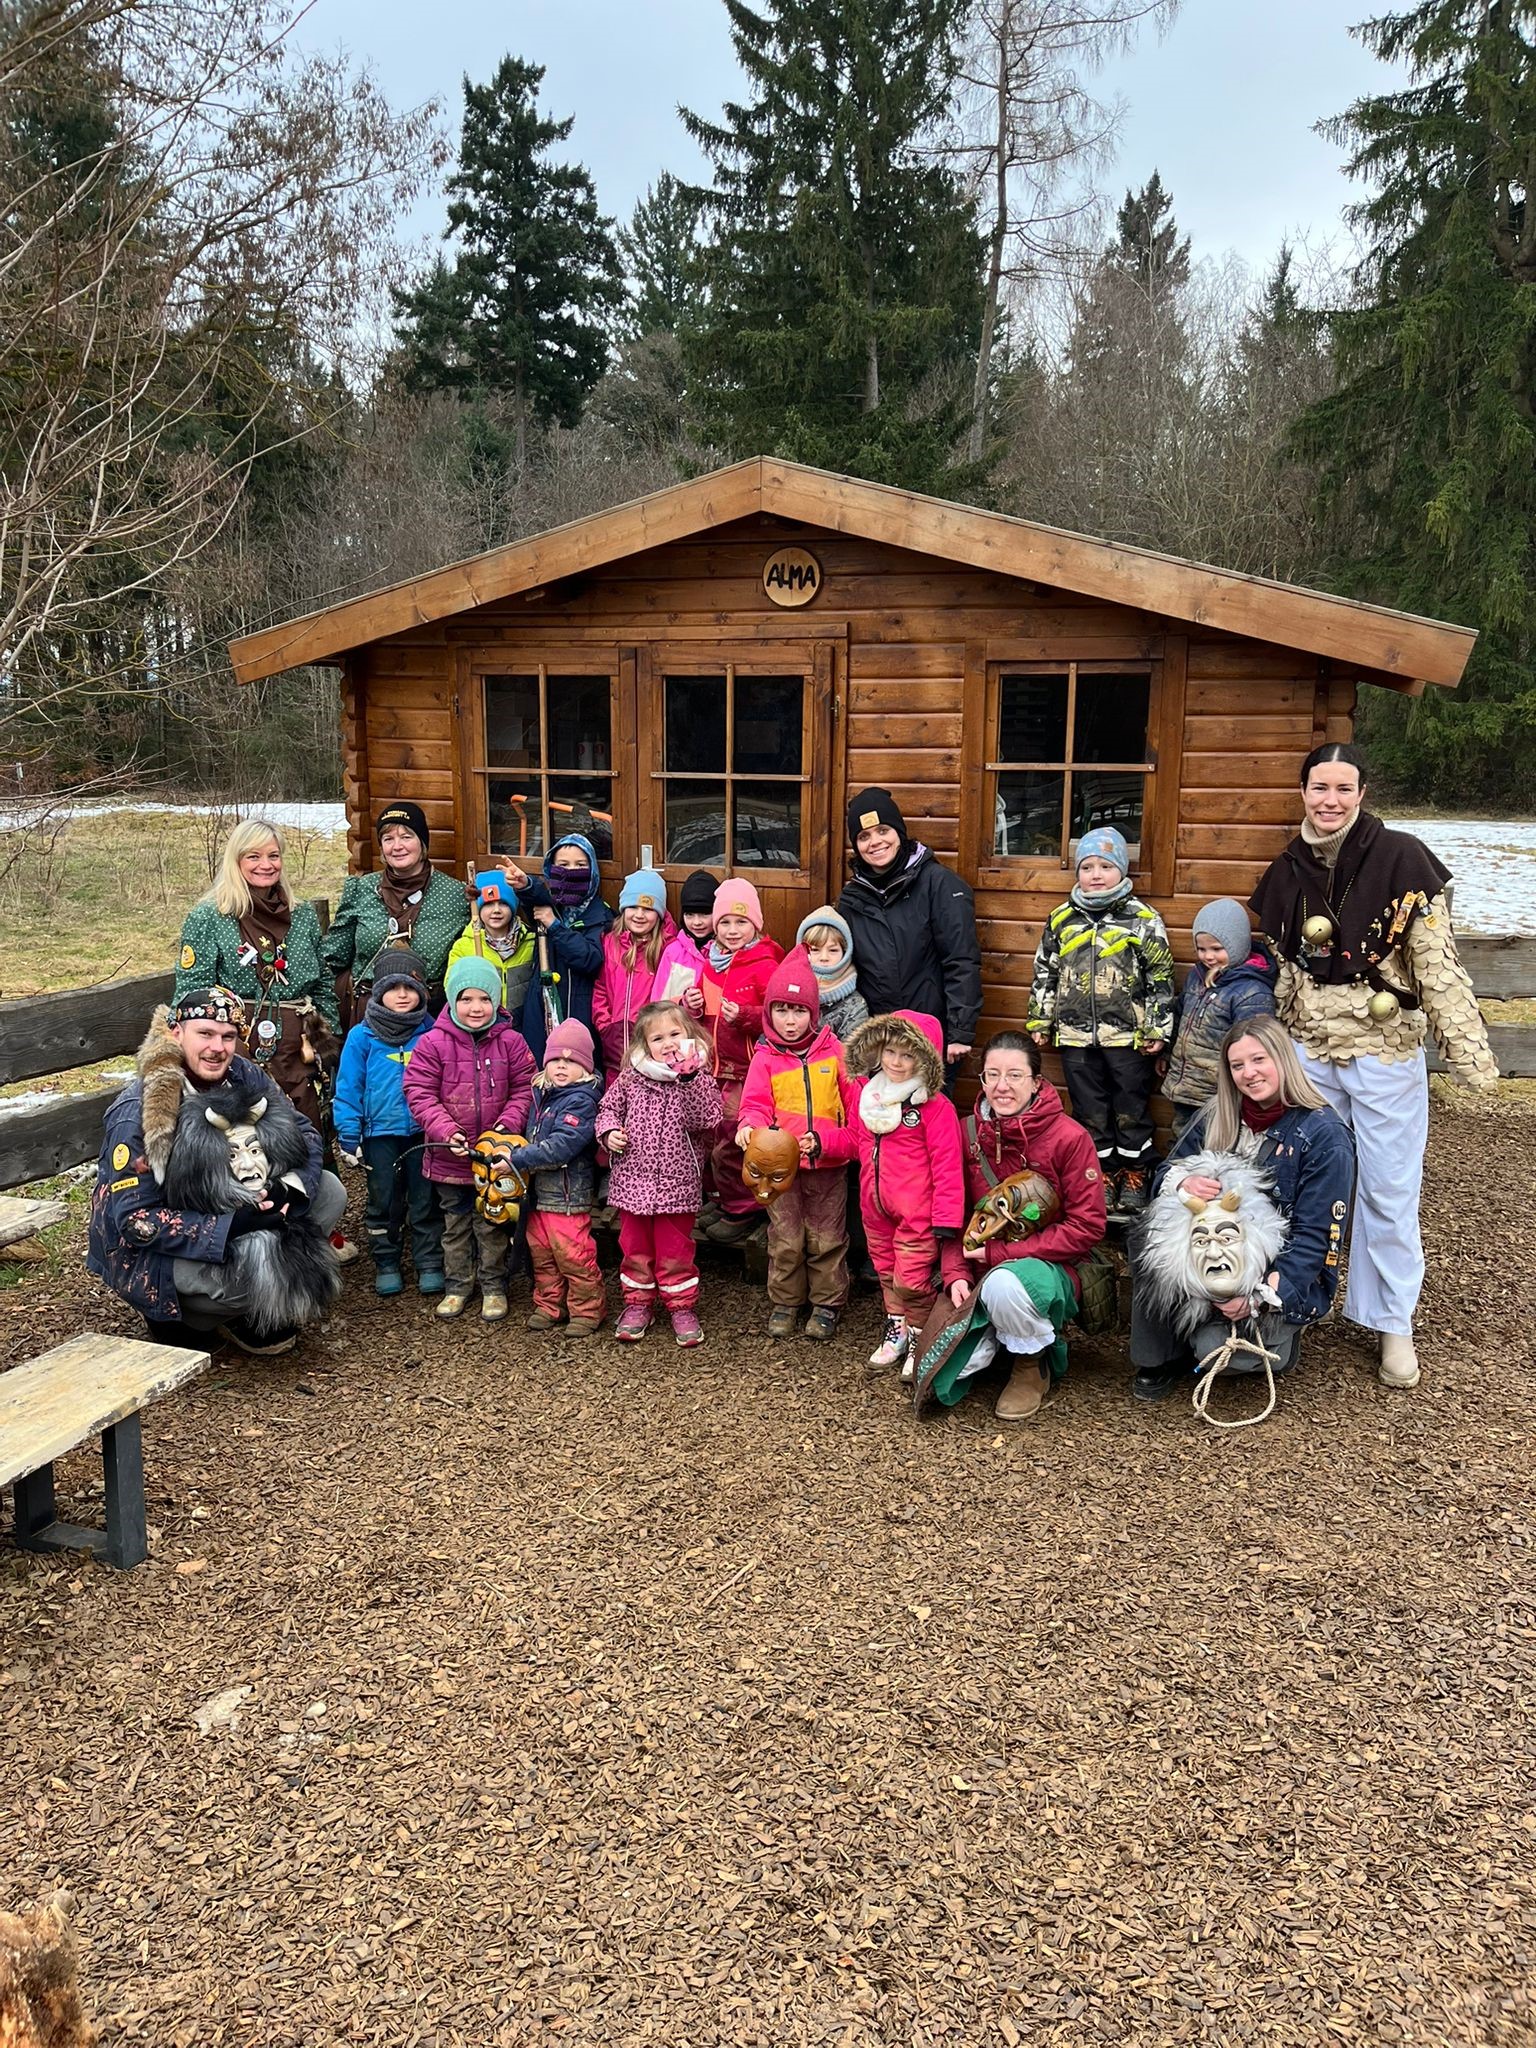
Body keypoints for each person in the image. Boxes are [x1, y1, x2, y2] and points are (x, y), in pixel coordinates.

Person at [1249, 741, 1498, 1390]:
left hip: (1384, 1052)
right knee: (1301, 1178)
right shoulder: (1288, 869)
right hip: (1310, 1052)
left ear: (1361, 794)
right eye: (1319, 787)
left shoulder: (1402, 859)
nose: (1329, 800)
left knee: (1387, 1188)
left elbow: (1436, 964)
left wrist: (1469, 1052)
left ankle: (1392, 1323)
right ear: (1303, 791)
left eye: (1343, 788)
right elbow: (1284, 973)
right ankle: (1293, 1301)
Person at [86, 988, 347, 1354]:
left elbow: (303, 1130)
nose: (217, 1048)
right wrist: (231, 1227)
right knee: (242, 1283)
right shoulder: (136, 1111)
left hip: (239, 1197)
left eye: (227, 1037)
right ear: (177, 1033)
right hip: (158, 1250)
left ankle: (254, 1298)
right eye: (205, 1034)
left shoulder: (242, 1073)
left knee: (329, 1191)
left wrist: (288, 1188)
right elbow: (136, 1220)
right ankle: (180, 1317)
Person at [1128, 1014, 1356, 1405]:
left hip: (1269, 1271)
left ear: (1283, 1059)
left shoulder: (1325, 1136)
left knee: (1216, 1351)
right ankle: (1157, 1357)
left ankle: (1273, 1339)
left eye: (1259, 1060)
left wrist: (1259, 1295)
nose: (1248, 1073)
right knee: (1145, 1233)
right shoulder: (1218, 1113)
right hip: (1206, 1253)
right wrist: (1182, 1182)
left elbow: (1316, 1237)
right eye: (1237, 1065)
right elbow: (1166, 1171)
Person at [927, 1032, 1108, 1422]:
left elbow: (1087, 1227)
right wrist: (955, 1273)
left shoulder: (1070, 1138)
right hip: (977, 1267)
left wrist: (1001, 1254)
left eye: (1014, 1075)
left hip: (1049, 1270)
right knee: (938, 1376)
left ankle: (1033, 1363)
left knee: (1005, 1285)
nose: (1001, 1086)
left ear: (1036, 1081)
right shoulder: (966, 1132)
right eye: (992, 1075)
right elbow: (951, 1213)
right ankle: (994, 1337)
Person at [1027, 825, 1174, 1215]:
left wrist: (1157, 1027)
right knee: (1089, 1108)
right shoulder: (1061, 919)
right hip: (1075, 1036)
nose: (1096, 875)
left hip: (1127, 1038)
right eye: (1087, 867)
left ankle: (1136, 1172)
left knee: (1130, 1108)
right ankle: (1103, 1174)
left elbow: (1160, 976)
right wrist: (1040, 1020)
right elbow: (1045, 971)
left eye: (1105, 866)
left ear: (1121, 870)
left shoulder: (1141, 919)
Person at [173, 818, 338, 1131]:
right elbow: (192, 994)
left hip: (297, 1051)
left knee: (305, 1134)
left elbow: (323, 984)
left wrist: (328, 1041)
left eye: (273, 856)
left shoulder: (302, 915)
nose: (266, 865)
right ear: (236, 860)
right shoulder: (210, 917)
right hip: (236, 1050)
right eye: (254, 856)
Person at [735, 948, 860, 1341]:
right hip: (780, 1171)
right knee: (785, 1237)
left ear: (813, 1013)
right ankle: (786, 1301)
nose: (790, 1021)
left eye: (799, 1011)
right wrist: (748, 1127)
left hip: (828, 1167)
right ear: (769, 1012)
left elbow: (857, 1119)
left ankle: (827, 1303)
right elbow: (754, 1105)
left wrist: (825, 1143)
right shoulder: (765, 1058)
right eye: (781, 1010)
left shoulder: (837, 1054)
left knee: (827, 1238)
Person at [403, 955, 535, 1323]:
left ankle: (494, 1286)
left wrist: (503, 1131)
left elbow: (525, 1089)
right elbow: (419, 1092)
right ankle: (458, 1286)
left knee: (491, 1224)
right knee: (455, 1225)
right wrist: (447, 1131)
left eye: (484, 998)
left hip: (494, 1161)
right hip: (451, 1157)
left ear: (497, 1000)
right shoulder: (432, 1043)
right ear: (451, 1000)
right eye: (466, 999)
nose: (475, 1008)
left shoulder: (511, 1042)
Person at [596, 1000, 724, 1348]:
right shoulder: (631, 1077)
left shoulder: (697, 1077)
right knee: (634, 1248)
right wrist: (609, 1132)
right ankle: (638, 1304)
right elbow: (607, 1109)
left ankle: (681, 1306)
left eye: (674, 1034)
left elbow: (706, 1119)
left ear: (689, 1035)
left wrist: (690, 1079)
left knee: (675, 1250)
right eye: (658, 1038)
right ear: (644, 1044)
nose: (668, 1044)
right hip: (632, 1182)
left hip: (676, 1184)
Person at [846, 1010, 966, 1375]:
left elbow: (948, 1166)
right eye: (890, 1052)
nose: (896, 1062)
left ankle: (919, 1335)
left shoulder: (934, 1107)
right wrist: (820, 1144)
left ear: (925, 1058)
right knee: (886, 1272)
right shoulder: (870, 1097)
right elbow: (855, 1142)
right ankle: (896, 1329)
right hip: (875, 1208)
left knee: (911, 1280)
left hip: (918, 1214)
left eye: (907, 1054)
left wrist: (947, 1219)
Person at [836, 788, 981, 1068]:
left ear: (899, 832)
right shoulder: (852, 898)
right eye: (864, 836)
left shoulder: (938, 884)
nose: (875, 842)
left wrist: (961, 1031)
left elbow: (961, 960)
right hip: (879, 1040)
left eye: (883, 830)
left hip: (931, 1035)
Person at [332, 949, 444, 1299]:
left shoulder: (432, 1033)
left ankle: (429, 1261)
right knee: (383, 1199)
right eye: (393, 988)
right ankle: (386, 1261)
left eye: (410, 987)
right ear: (378, 993)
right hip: (379, 1134)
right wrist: (349, 1132)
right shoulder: (361, 1037)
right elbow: (348, 1087)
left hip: (423, 1132)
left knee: (425, 1198)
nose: (402, 995)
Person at [689, 878, 784, 1247]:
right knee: (713, 1134)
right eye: (725, 922)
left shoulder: (765, 963)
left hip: (746, 1069)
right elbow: (702, 1013)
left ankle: (744, 1208)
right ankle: (723, 1200)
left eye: (741, 922)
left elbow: (778, 1015)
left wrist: (745, 1016)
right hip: (713, 1067)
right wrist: (691, 1005)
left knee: (733, 1140)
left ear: (755, 924)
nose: (732, 930)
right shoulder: (711, 962)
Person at [323, 801, 469, 1025]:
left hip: (430, 1017)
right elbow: (333, 957)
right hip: (369, 1015)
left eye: (406, 836)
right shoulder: (362, 889)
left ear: (422, 842)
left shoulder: (455, 895)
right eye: (388, 839)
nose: (397, 846)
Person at [518, 1019, 606, 1337]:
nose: (561, 1066)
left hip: (567, 1195)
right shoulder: (542, 1095)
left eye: (570, 1061)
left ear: (585, 1068)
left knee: (574, 1255)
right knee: (542, 1253)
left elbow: (560, 1147)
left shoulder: (581, 1101)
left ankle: (587, 1309)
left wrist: (517, 1158)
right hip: (539, 1194)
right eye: (555, 1059)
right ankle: (549, 1304)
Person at [1162, 898, 1278, 1138]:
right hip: (1186, 1086)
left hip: (1219, 1093)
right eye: (1201, 949)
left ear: (1237, 945)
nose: (1208, 956)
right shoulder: (1197, 977)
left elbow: (1253, 1045)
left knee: (1214, 1143)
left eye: (1216, 949)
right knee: (1181, 1141)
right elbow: (1180, 1016)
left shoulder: (1252, 992)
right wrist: (1166, 1053)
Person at [497, 833, 614, 1066]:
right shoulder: (551, 904)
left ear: (592, 870)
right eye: (563, 865)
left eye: (580, 865)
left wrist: (555, 926)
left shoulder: (601, 916)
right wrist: (525, 884)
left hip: (580, 1010)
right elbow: (537, 894)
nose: (571, 871)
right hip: (541, 1008)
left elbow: (589, 959)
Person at [593, 867, 674, 1075]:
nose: (639, 915)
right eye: (633, 907)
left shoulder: (668, 948)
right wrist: (605, 1026)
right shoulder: (610, 943)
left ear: (659, 913)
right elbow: (601, 987)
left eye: (647, 909)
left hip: (652, 1050)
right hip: (614, 1049)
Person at [446, 887, 535, 1024]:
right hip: (483, 1022)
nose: (496, 910)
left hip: (522, 1022)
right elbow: (451, 987)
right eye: (488, 904)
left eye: (503, 904)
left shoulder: (530, 943)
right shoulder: (464, 946)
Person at [795, 906, 869, 1044]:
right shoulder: (789, 992)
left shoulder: (855, 1005)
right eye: (815, 950)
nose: (824, 957)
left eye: (833, 950)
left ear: (845, 953)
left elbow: (854, 1052)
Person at [651, 869, 717, 1003]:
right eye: (689, 914)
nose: (697, 922)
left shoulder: (725, 954)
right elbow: (658, 1001)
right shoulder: (673, 952)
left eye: (705, 914)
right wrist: (683, 1003)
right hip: (678, 1016)